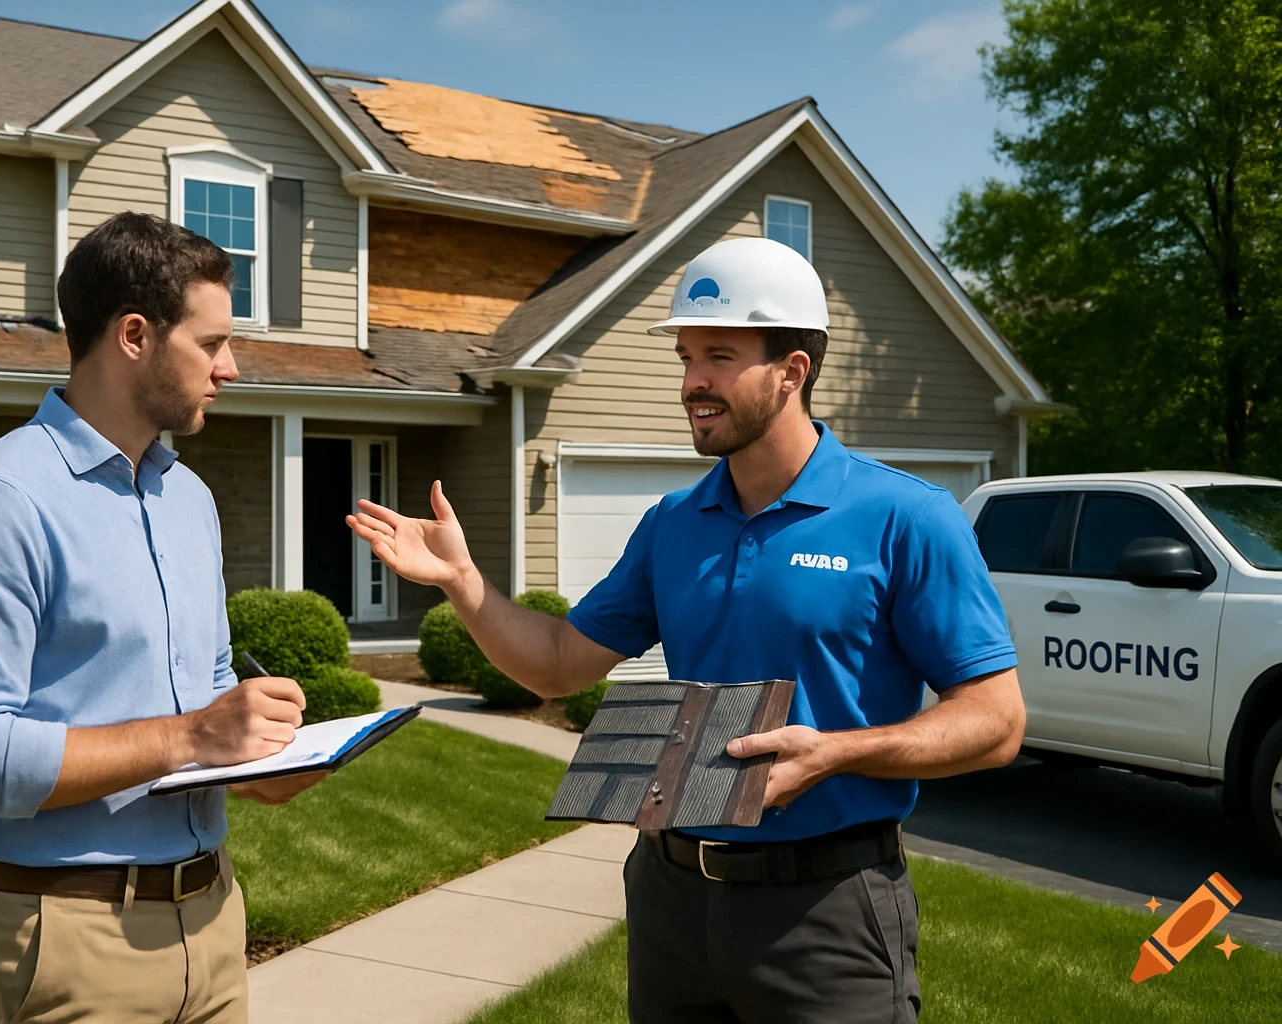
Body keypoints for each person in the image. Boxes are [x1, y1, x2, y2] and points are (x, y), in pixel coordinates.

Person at [347, 236, 1026, 1023]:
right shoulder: (673, 524)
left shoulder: (908, 518)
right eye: (685, 356)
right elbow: (559, 665)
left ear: (792, 371)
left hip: (826, 909)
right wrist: (464, 584)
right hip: (671, 898)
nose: (691, 381)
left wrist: (835, 754)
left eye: (718, 355)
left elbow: (997, 721)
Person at [0, 212, 323, 1024]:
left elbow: (206, 691)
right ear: (134, 335)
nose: (230, 368)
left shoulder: (188, 500)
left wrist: (257, 761)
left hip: (212, 923)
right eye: (210, 345)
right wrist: (193, 738)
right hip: (68, 942)